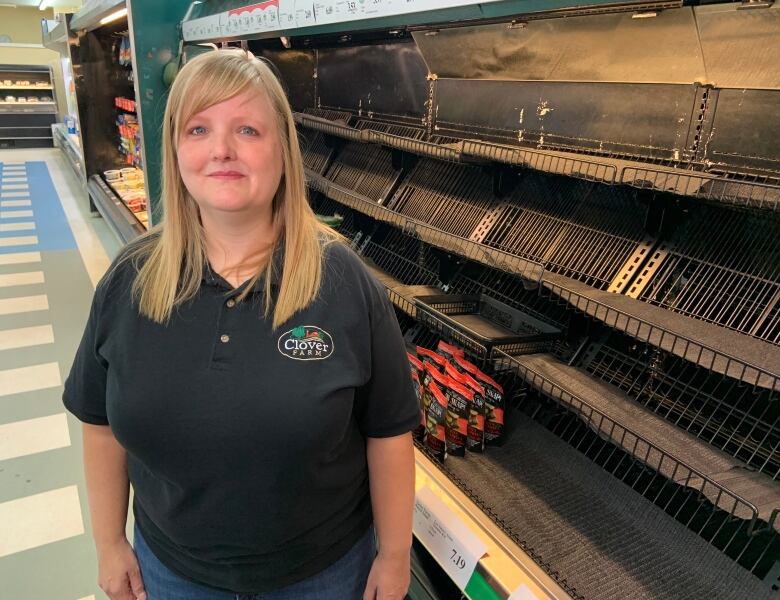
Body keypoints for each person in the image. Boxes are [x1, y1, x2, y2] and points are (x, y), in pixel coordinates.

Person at [63, 49, 420, 600]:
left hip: (321, 575)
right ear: (176, 149)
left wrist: (396, 556)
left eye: (248, 130)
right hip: (174, 574)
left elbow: (389, 432)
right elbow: (100, 423)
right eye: (199, 128)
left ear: (282, 150)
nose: (222, 150)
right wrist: (109, 542)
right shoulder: (129, 281)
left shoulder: (344, 283)